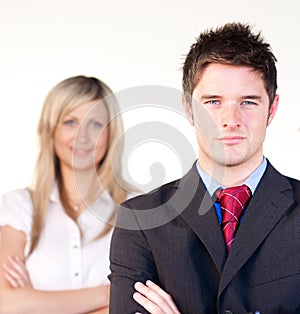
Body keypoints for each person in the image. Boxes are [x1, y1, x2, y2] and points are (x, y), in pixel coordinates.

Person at [109, 23, 300, 314]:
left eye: (248, 102)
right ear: (188, 108)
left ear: (271, 109)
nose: (230, 120)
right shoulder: (140, 220)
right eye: (213, 102)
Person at [0, 75, 132, 313]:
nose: (82, 137)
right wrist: (105, 294)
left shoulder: (138, 208)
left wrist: (36, 303)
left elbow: (137, 306)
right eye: (70, 122)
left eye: (95, 124)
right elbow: (6, 303)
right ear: (50, 129)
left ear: (111, 132)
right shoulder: (19, 206)